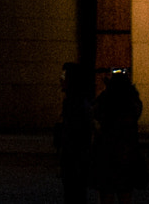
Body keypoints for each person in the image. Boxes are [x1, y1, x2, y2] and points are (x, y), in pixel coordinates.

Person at [91, 69, 148, 204]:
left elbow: (96, 112)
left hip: (108, 154)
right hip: (126, 154)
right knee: (124, 194)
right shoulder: (131, 102)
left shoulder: (106, 100)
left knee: (108, 194)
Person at [56, 62, 96, 204]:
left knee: (74, 194)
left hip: (75, 159)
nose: (61, 79)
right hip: (75, 158)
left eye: (64, 76)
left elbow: (75, 134)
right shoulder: (75, 102)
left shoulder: (76, 104)